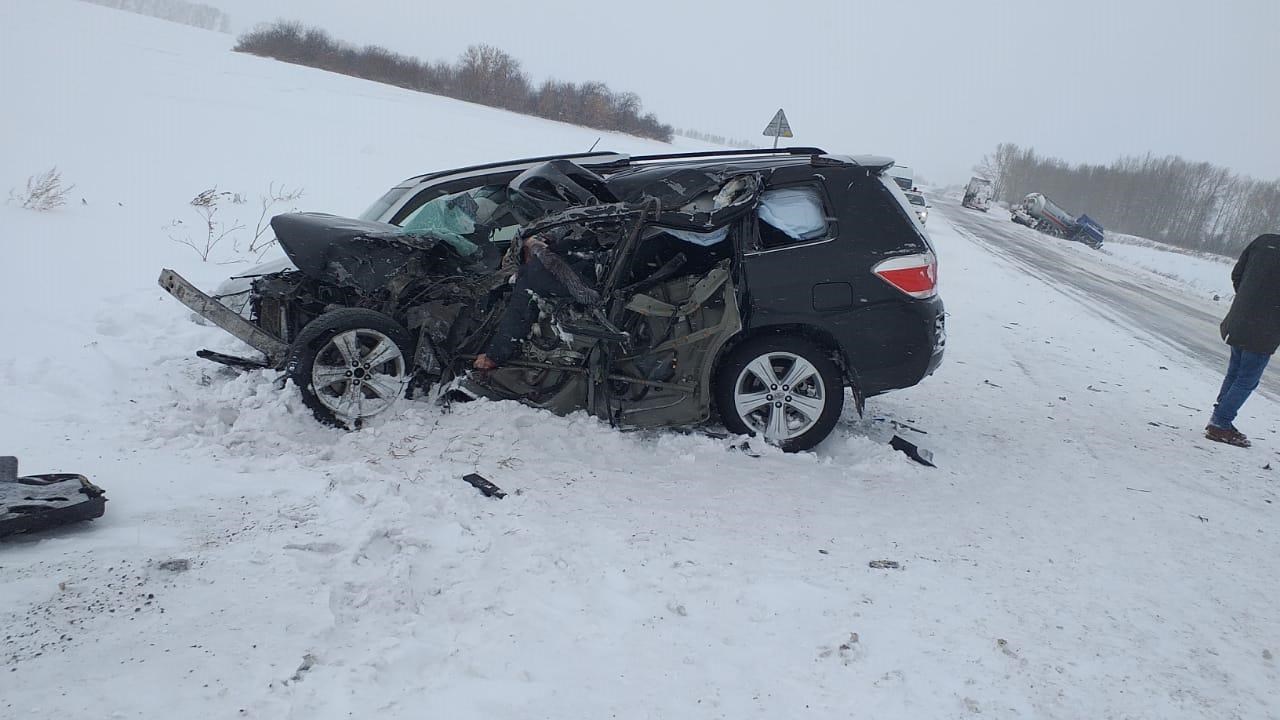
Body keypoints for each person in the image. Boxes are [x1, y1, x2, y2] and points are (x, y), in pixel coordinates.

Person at [1206, 232, 1280, 447]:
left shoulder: (1263, 241)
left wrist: (1248, 299)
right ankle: (1220, 423)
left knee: (1235, 372)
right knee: (1247, 379)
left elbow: (1237, 274)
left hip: (1240, 318)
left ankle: (1220, 417)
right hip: (1265, 327)